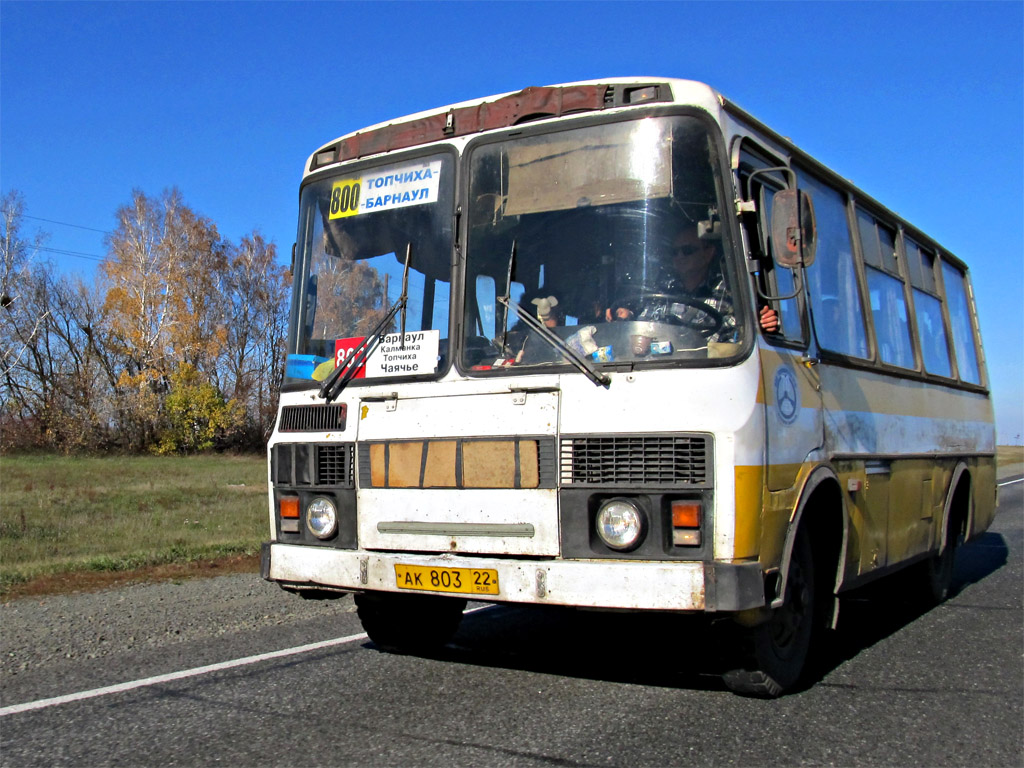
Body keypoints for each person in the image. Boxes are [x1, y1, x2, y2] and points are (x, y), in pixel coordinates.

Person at [606, 226, 779, 340]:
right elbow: (647, 326)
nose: (679, 257)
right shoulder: (663, 290)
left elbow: (744, 335)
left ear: (708, 253)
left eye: (687, 250)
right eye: (674, 252)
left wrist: (762, 324)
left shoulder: (732, 292)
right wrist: (628, 318)